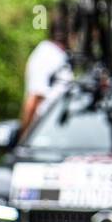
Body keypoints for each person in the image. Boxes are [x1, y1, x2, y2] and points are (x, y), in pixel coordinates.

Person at [19, 7, 72, 137]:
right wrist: (24, 137)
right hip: (45, 133)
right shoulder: (46, 55)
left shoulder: (59, 56)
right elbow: (34, 99)